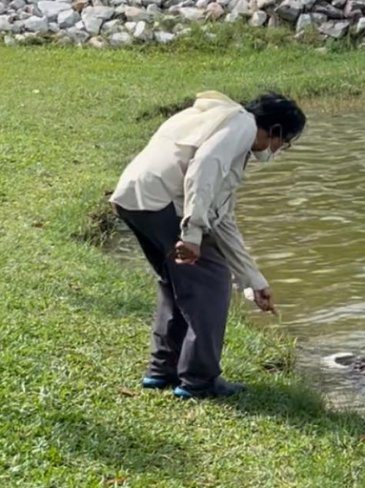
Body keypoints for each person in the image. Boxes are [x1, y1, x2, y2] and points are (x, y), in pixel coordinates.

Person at [109, 90, 306, 399]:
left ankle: (162, 371)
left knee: (174, 283)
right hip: (161, 202)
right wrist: (192, 231)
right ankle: (199, 381)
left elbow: (223, 219)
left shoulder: (217, 121)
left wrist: (254, 281)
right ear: (277, 130)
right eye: (285, 143)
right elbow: (204, 168)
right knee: (211, 284)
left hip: (134, 199)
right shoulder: (242, 125)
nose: (279, 150)